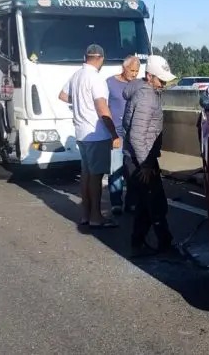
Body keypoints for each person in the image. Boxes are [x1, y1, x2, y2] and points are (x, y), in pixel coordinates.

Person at [59, 44, 121, 229]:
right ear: (101, 58)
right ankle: (96, 215)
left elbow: (62, 96)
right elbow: (102, 108)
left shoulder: (77, 75)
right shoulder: (96, 78)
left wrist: (79, 101)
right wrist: (113, 133)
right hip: (96, 134)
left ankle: (85, 214)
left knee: (86, 175)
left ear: (85, 56)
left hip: (80, 132)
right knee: (95, 177)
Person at [122, 55, 177, 257]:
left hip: (139, 157)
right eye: (161, 80)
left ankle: (138, 244)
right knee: (156, 203)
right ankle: (165, 244)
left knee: (146, 206)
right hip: (140, 160)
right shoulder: (147, 98)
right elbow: (137, 134)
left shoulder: (145, 91)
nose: (163, 84)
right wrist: (146, 165)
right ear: (149, 76)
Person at [106, 55, 141, 215]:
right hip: (116, 133)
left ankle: (132, 202)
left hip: (132, 133)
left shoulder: (138, 85)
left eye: (137, 71)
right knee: (116, 169)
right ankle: (116, 202)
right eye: (132, 70)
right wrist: (112, 134)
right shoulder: (109, 83)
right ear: (123, 68)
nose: (134, 74)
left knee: (131, 170)